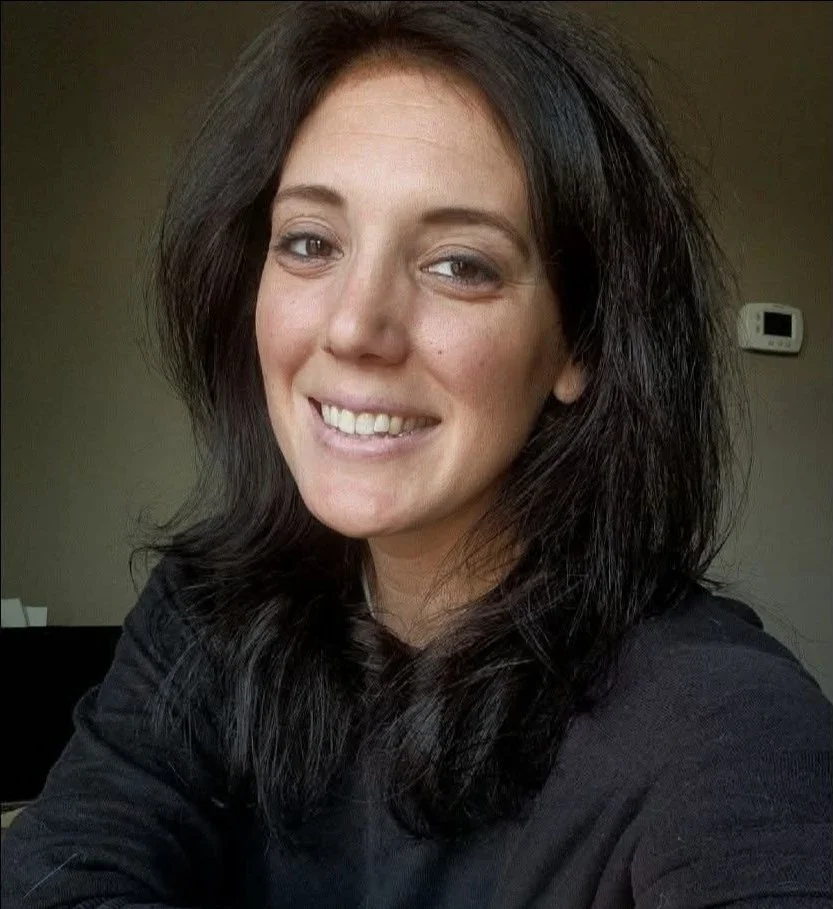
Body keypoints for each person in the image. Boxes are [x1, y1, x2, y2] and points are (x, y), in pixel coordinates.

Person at [2, 2, 831, 906]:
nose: (355, 326)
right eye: (310, 243)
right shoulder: (204, 620)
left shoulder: (722, 720)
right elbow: (64, 871)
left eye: (459, 264)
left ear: (575, 344)